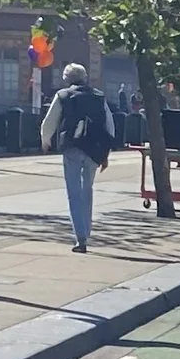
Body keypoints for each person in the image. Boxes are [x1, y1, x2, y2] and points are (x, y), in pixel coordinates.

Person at [37, 61, 114, 252]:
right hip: (94, 149)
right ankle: (86, 231)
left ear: (66, 79)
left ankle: (80, 237)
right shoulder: (99, 97)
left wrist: (45, 140)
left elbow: (50, 121)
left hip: (72, 147)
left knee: (74, 193)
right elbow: (109, 125)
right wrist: (106, 152)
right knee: (87, 190)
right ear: (85, 77)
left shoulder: (63, 95)